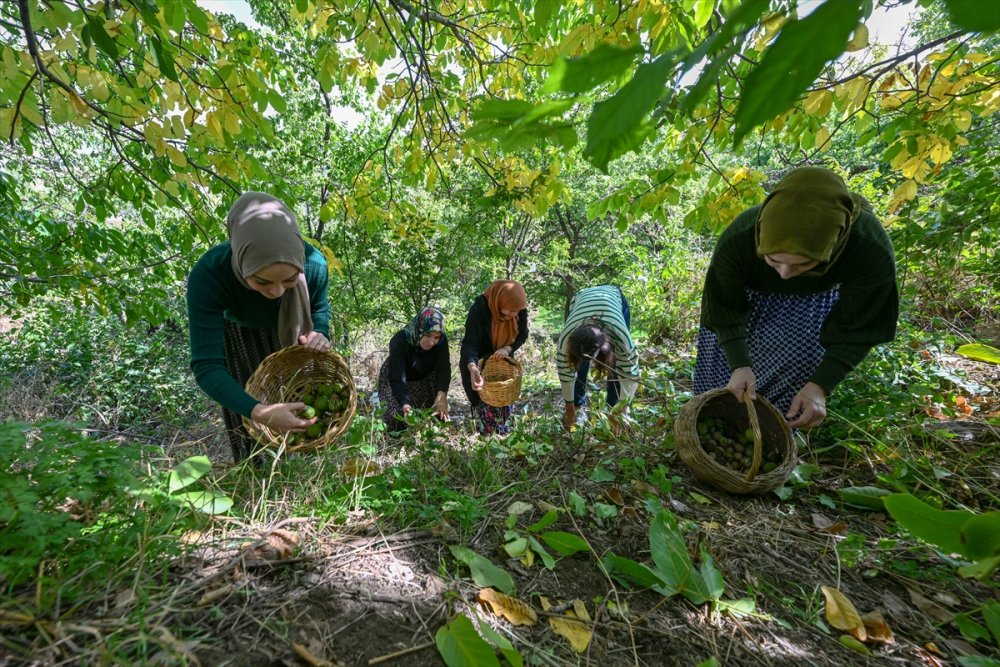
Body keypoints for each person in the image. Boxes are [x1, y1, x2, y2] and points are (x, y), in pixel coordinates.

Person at [694, 166, 898, 428]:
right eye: (773, 260)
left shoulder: (869, 248)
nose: (785, 274)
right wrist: (739, 365)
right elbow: (723, 306)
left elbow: (860, 324)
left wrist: (820, 386)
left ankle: (773, 435)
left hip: (813, 302)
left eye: (803, 264)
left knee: (796, 366)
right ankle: (714, 426)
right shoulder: (740, 238)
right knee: (722, 372)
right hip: (747, 297)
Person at [187, 192, 331, 462]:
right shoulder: (210, 275)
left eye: (289, 280)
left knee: (299, 401)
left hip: (293, 336)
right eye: (262, 282)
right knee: (251, 426)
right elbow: (207, 366)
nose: (276, 292)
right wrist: (258, 411)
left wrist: (320, 331)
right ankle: (258, 474)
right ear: (242, 266)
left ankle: (303, 470)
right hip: (241, 338)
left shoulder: (313, 266)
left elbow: (319, 308)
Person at [556, 285, 639, 432]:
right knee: (579, 365)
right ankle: (578, 406)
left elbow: (629, 373)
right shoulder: (565, 340)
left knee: (616, 363)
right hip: (581, 298)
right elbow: (565, 373)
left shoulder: (621, 337)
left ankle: (613, 409)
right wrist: (569, 409)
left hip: (614, 299)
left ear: (603, 349)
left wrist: (623, 408)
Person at [460, 280, 529, 435]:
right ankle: (487, 437)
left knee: (503, 397)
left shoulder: (519, 307)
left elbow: (522, 334)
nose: (514, 315)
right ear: (500, 301)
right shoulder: (480, 309)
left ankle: (502, 432)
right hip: (478, 361)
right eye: (510, 311)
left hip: (502, 358)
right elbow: (470, 343)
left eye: (517, 312)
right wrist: (472, 367)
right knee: (485, 403)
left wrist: (508, 348)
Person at [377, 307, 451, 432]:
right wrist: (405, 403)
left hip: (425, 376)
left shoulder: (441, 342)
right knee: (396, 420)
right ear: (419, 330)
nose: (431, 342)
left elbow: (443, 368)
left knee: (433, 419)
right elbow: (397, 377)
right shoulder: (399, 341)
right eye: (427, 335)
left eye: (436, 337)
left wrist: (442, 394)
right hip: (398, 379)